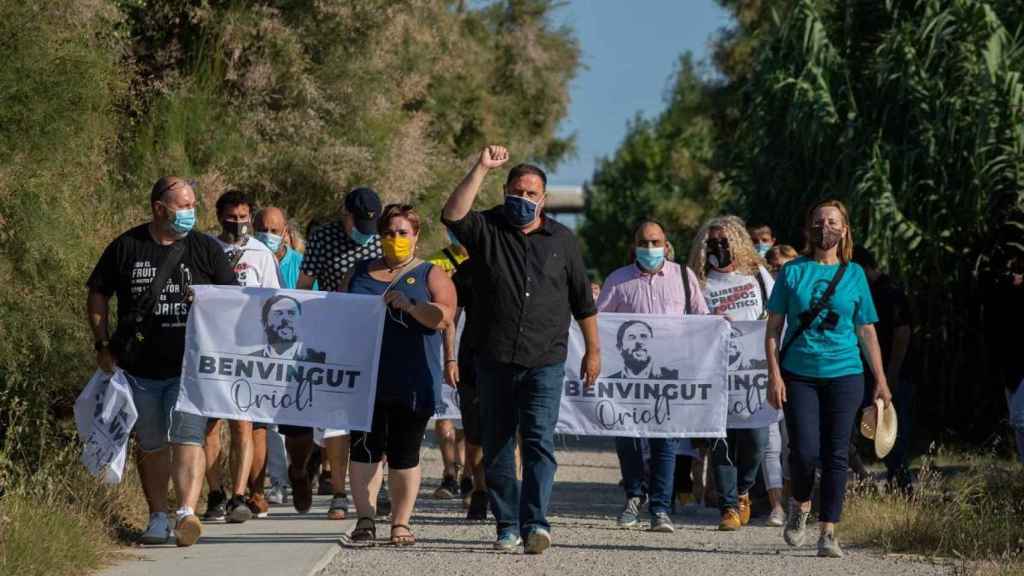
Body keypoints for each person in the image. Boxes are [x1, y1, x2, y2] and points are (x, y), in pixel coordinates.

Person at [442, 145, 601, 554]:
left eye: (532, 194)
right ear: (505, 191)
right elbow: (453, 215)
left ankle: (537, 524)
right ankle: (506, 525)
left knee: (538, 443)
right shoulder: (487, 229)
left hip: (545, 360)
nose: (524, 199)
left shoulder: (563, 241)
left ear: (544, 200)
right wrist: (479, 167)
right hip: (494, 359)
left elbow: (583, 302)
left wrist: (593, 350)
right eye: (517, 191)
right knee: (496, 444)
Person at [86, 176, 236, 546]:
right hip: (138, 369)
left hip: (190, 369)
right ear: (158, 208)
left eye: (192, 205)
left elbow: (234, 300)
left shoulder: (205, 249)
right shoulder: (127, 247)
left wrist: (206, 303)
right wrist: (102, 343)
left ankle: (185, 511)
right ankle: (156, 517)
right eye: (182, 206)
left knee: (187, 437)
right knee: (151, 444)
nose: (190, 213)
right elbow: (98, 294)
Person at [766, 199, 892, 559]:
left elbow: (866, 330)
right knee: (804, 452)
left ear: (844, 229)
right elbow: (773, 329)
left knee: (837, 453)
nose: (826, 228)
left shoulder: (854, 275)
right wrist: (773, 375)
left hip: (845, 373)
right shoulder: (792, 272)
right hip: (799, 374)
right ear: (809, 229)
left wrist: (881, 380)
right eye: (819, 221)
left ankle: (829, 532)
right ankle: (800, 505)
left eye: (833, 222)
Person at [344, 204, 456, 545]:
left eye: (403, 233)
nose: (395, 239)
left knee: (405, 452)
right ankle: (365, 519)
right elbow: (335, 314)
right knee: (365, 449)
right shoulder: (359, 272)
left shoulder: (431, 274)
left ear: (416, 235)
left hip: (413, 379)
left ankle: (400, 523)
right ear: (379, 236)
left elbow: (445, 317)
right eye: (389, 233)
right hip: (365, 378)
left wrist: (410, 305)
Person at [597, 220, 708, 533]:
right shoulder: (618, 281)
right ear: (634, 246)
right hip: (628, 379)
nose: (650, 249)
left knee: (665, 443)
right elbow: (600, 323)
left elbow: (701, 319)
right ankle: (634, 495)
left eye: (655, 241)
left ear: (666, 243)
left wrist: (721, 325)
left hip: (668, 376)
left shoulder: (684, 278)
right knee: (627, 438)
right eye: (644, 243)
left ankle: (660, 508)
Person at [291, 188, 383, 519]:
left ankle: (372, 486)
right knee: (333, 417)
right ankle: (336, 490)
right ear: (345, 214)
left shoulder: (383, 236)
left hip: (373, 334)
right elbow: (304, 283)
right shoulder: (323, 237)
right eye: (358, 222)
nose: (364, 231)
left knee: (372, 415)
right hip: (332, 333)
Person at [689, 215, 775, 531]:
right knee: (720, 442)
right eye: (712, 243)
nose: (719, 248)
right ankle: (728, 506)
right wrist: (709, 322)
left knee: (756, 439)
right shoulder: (697, 284)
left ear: (739, 242)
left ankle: (743, 490)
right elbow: (686, 327)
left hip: (753, 376)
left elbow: (777, 320)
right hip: (715, 375)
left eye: (725, 241)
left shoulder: (759, 279)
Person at [203, 190, 282, 523]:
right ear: (219, 216)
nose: (238, 224)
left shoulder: (261, 253)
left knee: (243, 424)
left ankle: (239, 495)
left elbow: (273, 299)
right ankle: (215, 493)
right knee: (208, 425)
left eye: (243, 217)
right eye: (231, 218)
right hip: (211, 346)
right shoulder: (205, 247)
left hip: (247, 349)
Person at [252, 206, 302, 506]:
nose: (268, 236)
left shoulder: (301, 264)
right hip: (261, 352)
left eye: (274, 230)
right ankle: (278, 482)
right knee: (269, 422)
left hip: (296, 352)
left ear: (286, 233)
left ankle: (304, 471)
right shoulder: (245, 260)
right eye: (262, 229)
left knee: (299, 423)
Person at [852, 246, 914, 488]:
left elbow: (903, 333)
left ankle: (901, 481)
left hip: (894, 372)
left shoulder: (890, 292)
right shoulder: (868, 290)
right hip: (870, 370)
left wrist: (890, 375)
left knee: (892, 429)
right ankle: (889, 477)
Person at [427, 238, 470, 501]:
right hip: (442, 343)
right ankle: (448, 474)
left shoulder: (482, 260)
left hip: (470, 344)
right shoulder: (435, 263)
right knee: (443, 413)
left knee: (467, 415)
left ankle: (466, 473)